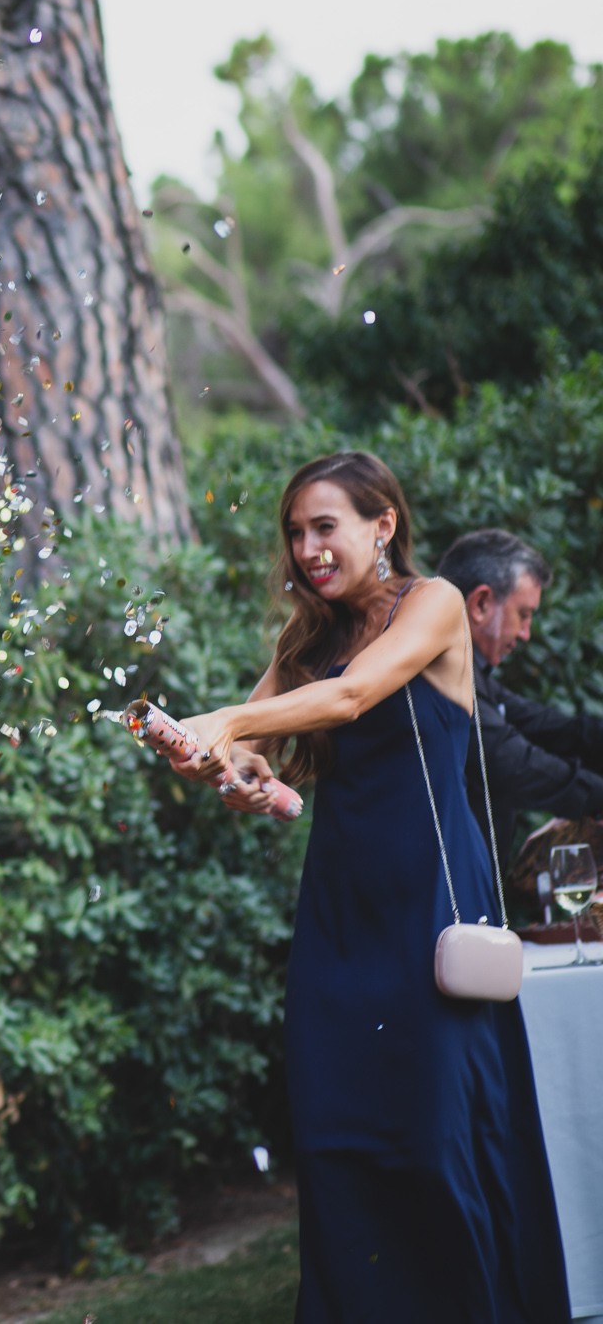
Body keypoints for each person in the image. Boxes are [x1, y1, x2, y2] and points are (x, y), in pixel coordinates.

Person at [170, 452, 566, 1322]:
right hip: (340, 911)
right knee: (338, 1137)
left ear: (381, 524)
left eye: (326, 526)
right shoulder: (303, 635)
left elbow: (351, 697)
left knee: (433, 1139)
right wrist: (221, 762)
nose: (309, 548)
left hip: (430, 903)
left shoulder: (432, 604)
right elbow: (253, 753)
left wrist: (232, 722)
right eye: (296, 532)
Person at [436, 528, 603, 873]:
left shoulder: (475, 677)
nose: (526, 633)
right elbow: (512, 763)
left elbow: (557, 730)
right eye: (523, 614)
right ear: (481, 603)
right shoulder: (437, 674)